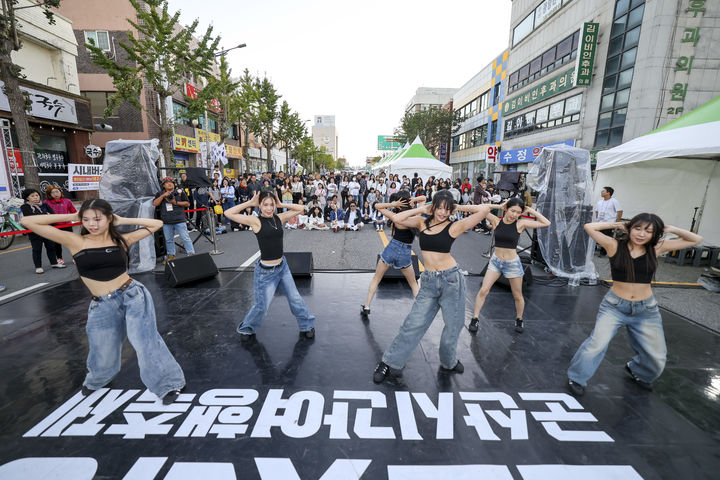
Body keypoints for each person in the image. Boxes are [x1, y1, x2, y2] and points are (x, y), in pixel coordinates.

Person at [20, 198, 186, 404]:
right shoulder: (75, 241)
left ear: (109, 219)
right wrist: (73, 216)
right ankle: (98, 379)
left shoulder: (121, 240)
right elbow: (27, 221)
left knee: (145, 342)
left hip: (133, 296)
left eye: (98, 219)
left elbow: (156, 224)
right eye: (87, 220)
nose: (91, 224)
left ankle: (168, 384)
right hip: (101, 304)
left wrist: (120, 219)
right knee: (102, 347)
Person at [567, 214, 702, 396]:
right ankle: (577, 378)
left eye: (648, 231)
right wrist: (619, 224)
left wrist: (671, 229)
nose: (641, 234)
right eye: (637, 228)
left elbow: (696, 240)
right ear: (629, 228)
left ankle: (636, 370)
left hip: (646, 310)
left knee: (657, 355)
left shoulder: (657, 248)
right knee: (596, 344)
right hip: (614, 307)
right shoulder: (614, 245)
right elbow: (589, 227)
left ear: (655, 234)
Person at [372, 191, 491, 383]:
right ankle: (389, 361)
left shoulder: (454, 226)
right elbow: (396, 217)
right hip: (428, 281)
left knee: (453, 326)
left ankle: (449, 362)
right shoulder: (421, 222)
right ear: (433, 206)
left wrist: (455, 206)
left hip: (451, 281)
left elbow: (484, 209)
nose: (442, 213)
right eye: (439, 208)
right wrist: (424, 208)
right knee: (413, 324)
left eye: (446, 209)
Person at [224, 191, 316, 339]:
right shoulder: (255, 221)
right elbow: (228, 212)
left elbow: (301, 208)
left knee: (296, 299)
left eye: (271, 205)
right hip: (265, 273)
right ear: (260, 205)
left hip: (282, 267)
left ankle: (307, 325)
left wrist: (281, 204)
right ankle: (247, 328)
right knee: (261, 307)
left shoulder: (279, 218)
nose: (269, 208)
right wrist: (249, 203)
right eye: (265, 205)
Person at [469, 198, 551, 334]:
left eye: (518, 212)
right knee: (484, 290)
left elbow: (546, 222)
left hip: (512, 263)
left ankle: (519, 318)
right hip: (495, 262)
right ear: (506, 208)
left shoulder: (521, 224)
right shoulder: (496, 221)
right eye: (512, 210)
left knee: (517, 295)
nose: (514, 215)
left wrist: (530, 210)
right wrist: (498, 205)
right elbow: (480, 207)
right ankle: (475, 318)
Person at [361, 192, 426, 317]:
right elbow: (424, 198)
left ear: (399, 204)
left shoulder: (396, 216)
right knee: (413, 284)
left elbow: (377, 206)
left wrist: (393, 204)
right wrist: (413, 199)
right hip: (406, 252)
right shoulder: (416, 216)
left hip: (391, 249)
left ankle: (367, 306)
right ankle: (420, 311)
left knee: (376, 278)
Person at [21, 189, 65, 273]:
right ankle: (38, 267)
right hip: (34, 231)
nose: (35, 198)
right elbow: (32, 218)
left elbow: (52, 215)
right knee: (37, 249)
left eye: (37, 195)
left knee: (51, 246)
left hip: (48, 229)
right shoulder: (25, 207)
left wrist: (43, 217)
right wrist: (45, 216)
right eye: (32, 196)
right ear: (27, 198)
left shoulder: (44, 204)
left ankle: (54, 263)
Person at [153, 177, 195, 263]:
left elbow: (187, 203)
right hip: (166, 221)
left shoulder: (179, 192)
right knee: (168, 240)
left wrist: (175, 203)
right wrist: (163, 196)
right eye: (167, 183)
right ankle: (171, 256)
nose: (169, 184)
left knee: (185, 238)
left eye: (171, 182)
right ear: (163, 185)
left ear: (174, 184)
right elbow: (154, 203)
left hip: (179, 220)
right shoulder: (160, 193)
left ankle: (191, 254)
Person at [43, 185, 77, 265]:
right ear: (49, 194)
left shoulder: (67, 201)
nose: (55, 194)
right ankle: (59, 258)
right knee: (56, 244)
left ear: (60, 192)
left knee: (71, 242)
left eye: (57, 191)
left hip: (67, 225)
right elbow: (43, 213)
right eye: (53, 192)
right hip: (54, 226)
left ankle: (75, 257)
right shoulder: (46, 203)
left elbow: (74, 212)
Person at [595, 186, 623, 256]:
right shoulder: (600, 202)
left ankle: (603, 252)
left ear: (608, 193)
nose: (602, 192)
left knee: (606, 237)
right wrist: (596, 220)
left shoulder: (614, 201)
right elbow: (596, 211)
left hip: (609, 223)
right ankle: (594, 249)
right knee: (596, 236)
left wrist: (617, 222)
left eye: (603, 191)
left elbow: (620, 211)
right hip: (599, 223)